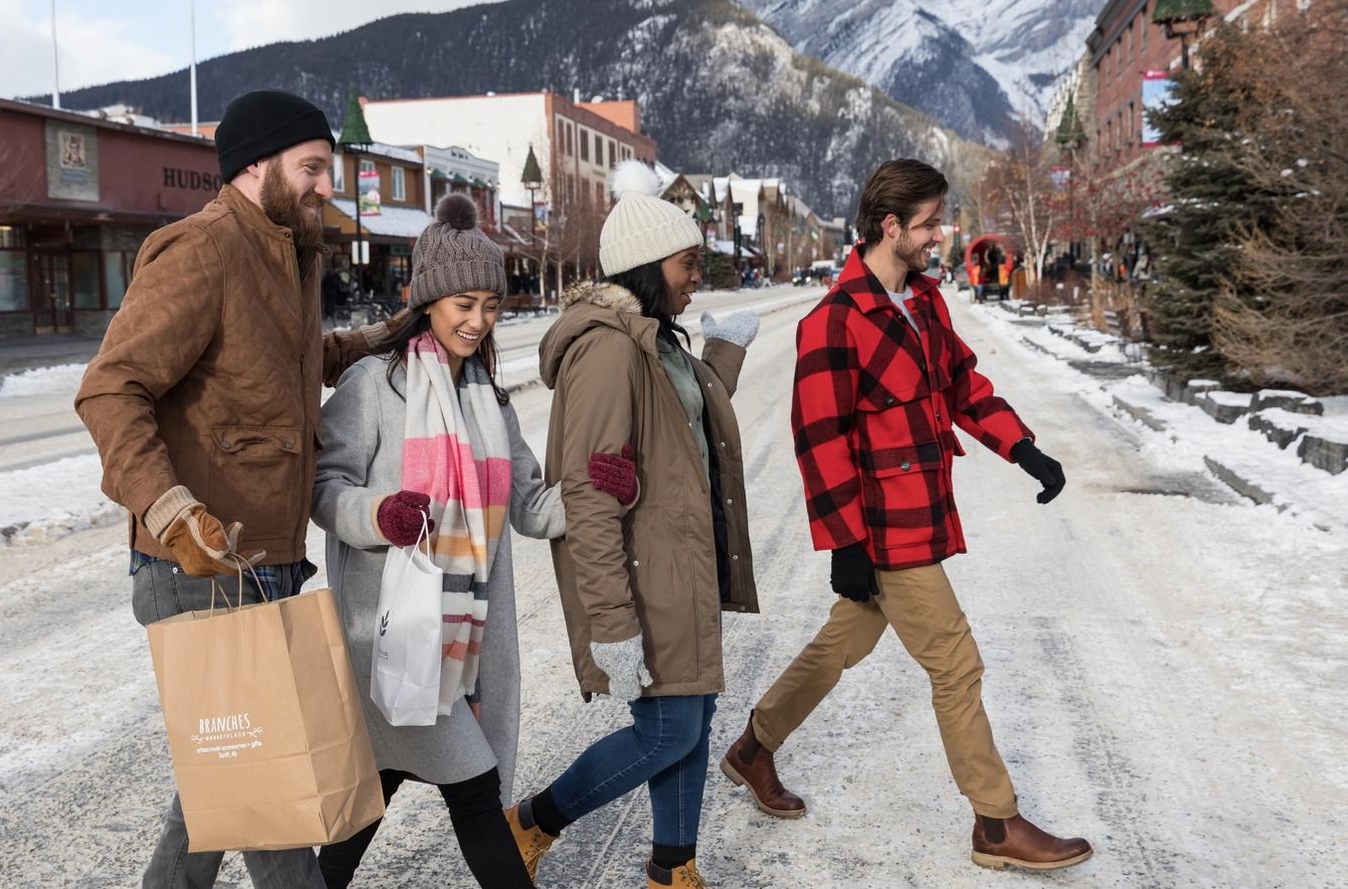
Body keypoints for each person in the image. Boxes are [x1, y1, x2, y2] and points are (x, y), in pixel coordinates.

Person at [717, 158, 1091, 873]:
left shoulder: (923, 304)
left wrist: (1024, 450)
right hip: (884, 529)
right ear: (889, 227)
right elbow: (818, 438)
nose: (938, 235)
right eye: (927, 224)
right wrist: (845, 544)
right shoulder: (834, 321)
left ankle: (752, 747)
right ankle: (995, 823)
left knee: (844, 643)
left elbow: (962, 386)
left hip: (921, 512)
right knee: (956, 661)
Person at [75, 88, 405, 889]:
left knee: (223, 788)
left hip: (267, 561)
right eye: (314, 167)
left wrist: (385, 336)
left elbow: (285, 364)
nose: (328, 185)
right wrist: (171, 510)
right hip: (201, 566)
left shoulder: (288, 248)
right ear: (258, 165)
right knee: (273, 799)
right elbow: (109, 389)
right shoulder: (203, 250)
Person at [310, 194, 637, 888]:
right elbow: (324, 491)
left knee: (380, 783)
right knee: (477, 791)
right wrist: (381, 515)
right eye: (463, 302)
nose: (478, 319)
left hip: (464, 641)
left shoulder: (489, 398)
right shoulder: (373, 385)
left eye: (489, 303)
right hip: (392, 634)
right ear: (428, 300)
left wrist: (593, 490)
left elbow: (530, 507)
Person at [508, 161, 763, 889]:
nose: (697, 276)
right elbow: (588, 497)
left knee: (694, 721)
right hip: (644, 577)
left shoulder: (655, 339)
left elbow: (680, 429)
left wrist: (723, 354)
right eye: (689, 263)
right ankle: (533, 822)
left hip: (682, 564)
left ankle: (673, 868)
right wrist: (610, 623)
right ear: (651, 265)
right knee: (668, 730)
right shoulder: (608, 349)